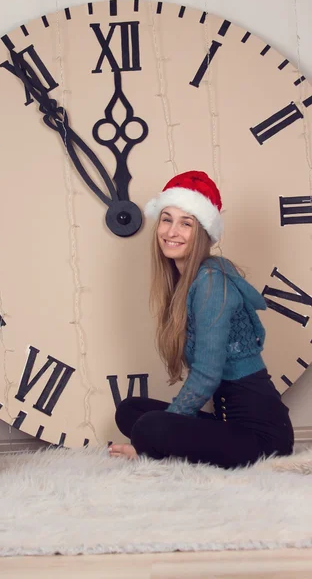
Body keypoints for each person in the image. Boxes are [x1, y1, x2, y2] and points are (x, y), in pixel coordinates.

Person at [108, 171, 294, 469]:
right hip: (228, 424)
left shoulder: (211, 283)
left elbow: (207, 375)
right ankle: (159, 442)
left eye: (186, 223)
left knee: (149, 429)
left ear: (203, 233)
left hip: (262, 437)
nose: (172, 231)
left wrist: (152, 439)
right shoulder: (187, 281)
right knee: (130, 410)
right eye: (167, 219)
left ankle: (151, 449)